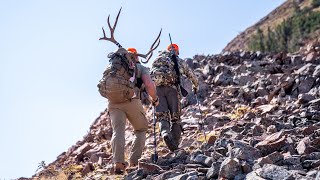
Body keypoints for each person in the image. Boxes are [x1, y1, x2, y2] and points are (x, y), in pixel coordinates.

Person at [109, 47, 159, 174]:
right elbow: (149, 84)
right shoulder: (140, 68)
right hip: (132, 100)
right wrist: (155, 98)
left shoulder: (115, 65)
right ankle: (134, 162)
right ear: (136, 56)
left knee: (118, 130)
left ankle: (118, 164)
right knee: (141, 129)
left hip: (113, 102)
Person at [151, 44, 199, 151]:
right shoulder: (177, 60)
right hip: (172, 89)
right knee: (175, 118)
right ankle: (175, 146)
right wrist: (196, 86)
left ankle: (164, 133)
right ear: (177, 51)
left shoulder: (158, 59)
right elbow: (190, 74)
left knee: (162, 116)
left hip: (157, 89)